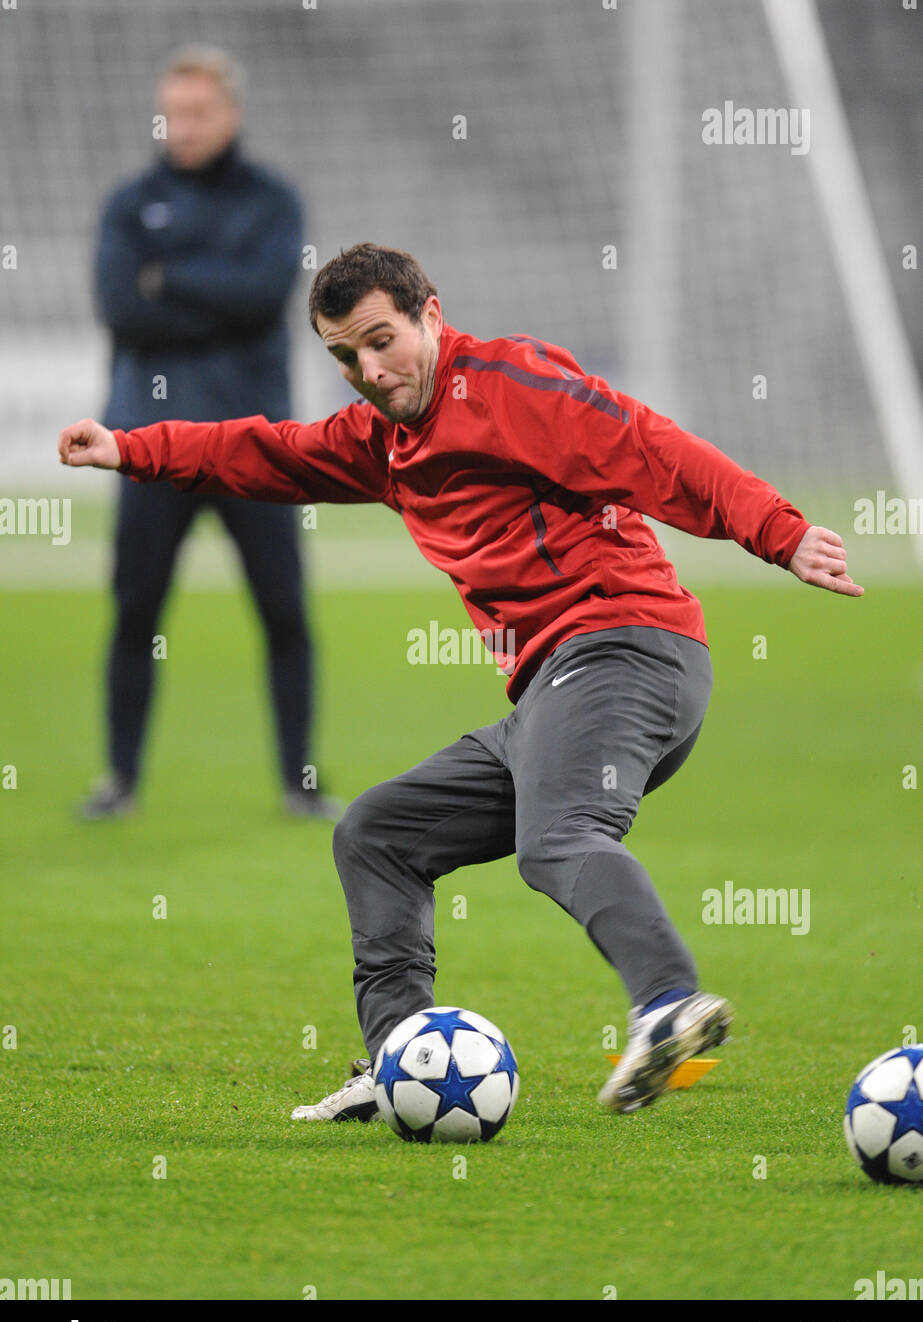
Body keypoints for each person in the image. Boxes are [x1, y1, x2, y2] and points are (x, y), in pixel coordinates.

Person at [58, 242, 863, 1118]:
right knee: (377, 834)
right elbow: (273, 452)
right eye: (343, 357)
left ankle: (668, 1001)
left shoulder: (512, 385)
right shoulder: (384, 441)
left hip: (626, 648)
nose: (367, 371)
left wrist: (777, 532)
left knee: (558, 838)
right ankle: (400, 1056)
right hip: (556, 686)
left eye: (380, 341)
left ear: (429, 315)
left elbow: (649, 449)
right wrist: (130, 449)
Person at [80, 45, 339, 821]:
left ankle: (298, 783)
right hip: (148, 446)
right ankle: (120, 780)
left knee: (284, 613)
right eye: (172, 112)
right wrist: (200, 292)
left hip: (254, 447)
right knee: (135, 613)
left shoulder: (272, 200)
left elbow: (264, 295)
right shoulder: (130, 202)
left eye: (197, 112)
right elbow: (122, 308)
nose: (182, 127)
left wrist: (171, 277)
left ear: (230, 114)